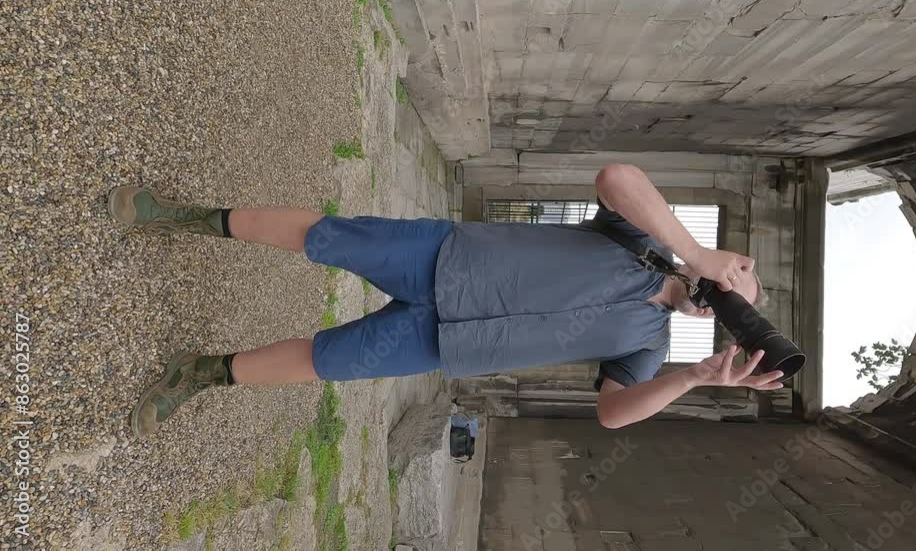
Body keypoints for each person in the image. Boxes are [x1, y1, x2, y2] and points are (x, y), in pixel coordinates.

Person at [109, 164, 785, 437]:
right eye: (731, 290)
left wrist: (694, 376)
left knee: (327, 362)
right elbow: (616, 178)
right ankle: (181, 215)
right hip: (448, 258)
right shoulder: (642, 240)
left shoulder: (650, 344)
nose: (723, 305)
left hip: (454, 343)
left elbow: (611, 413)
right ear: (721, 266)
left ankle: (200, 372)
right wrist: (696, 254)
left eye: (734, 314)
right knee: (323, 238)